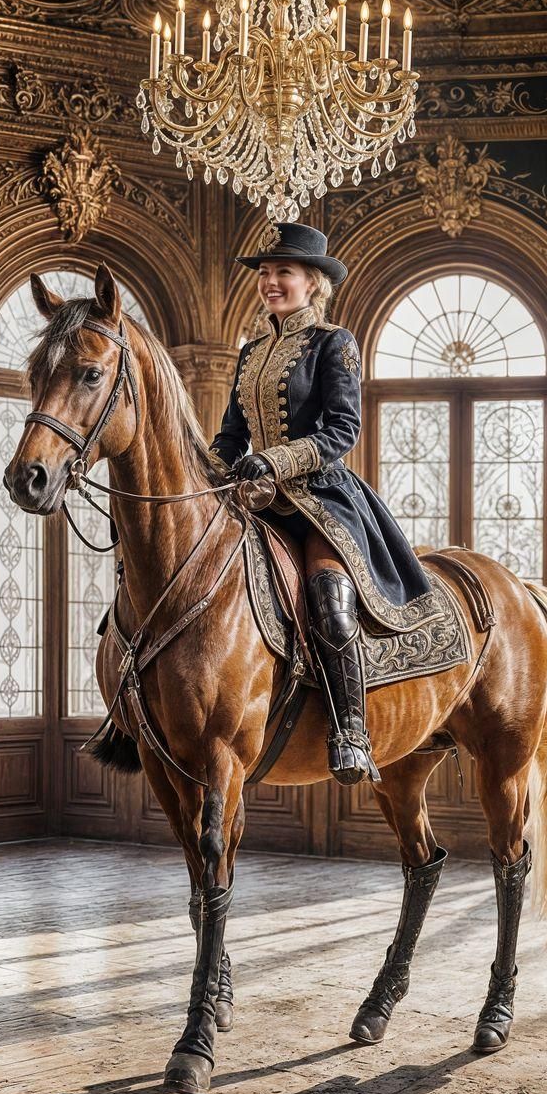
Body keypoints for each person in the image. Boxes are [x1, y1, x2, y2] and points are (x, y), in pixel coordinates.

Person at [210, 222, 433, 787]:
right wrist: (212, 472)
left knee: (328, 598)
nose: (270, 282)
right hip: (255, 501)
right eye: (265, 273)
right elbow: (232, 436)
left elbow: (342, 429)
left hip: (321, 501)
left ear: (314, 283)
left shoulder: (335, 343)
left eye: (282, 272)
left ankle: (351, 731)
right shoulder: (251, 352)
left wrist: (278, 462)